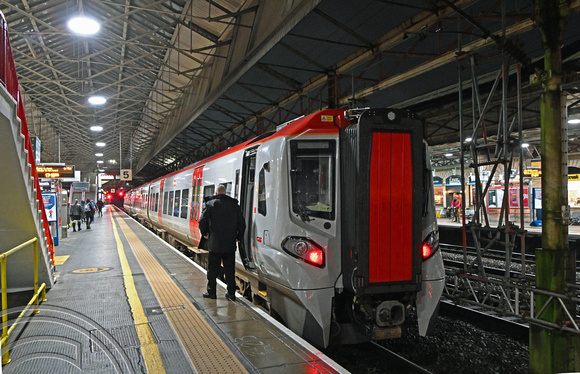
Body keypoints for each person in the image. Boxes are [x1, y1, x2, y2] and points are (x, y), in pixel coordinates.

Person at [198, 184, 245, 301]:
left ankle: (211, 292)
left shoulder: (211, 204)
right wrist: (239, 236)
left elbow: (202, 220)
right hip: (229, 244)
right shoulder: (235, 205)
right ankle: (231, 294)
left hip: (215, 244)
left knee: (212, 270)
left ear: (216, 193)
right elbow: (242, 223)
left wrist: (204, 233)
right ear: (225, 193)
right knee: (230, 270)